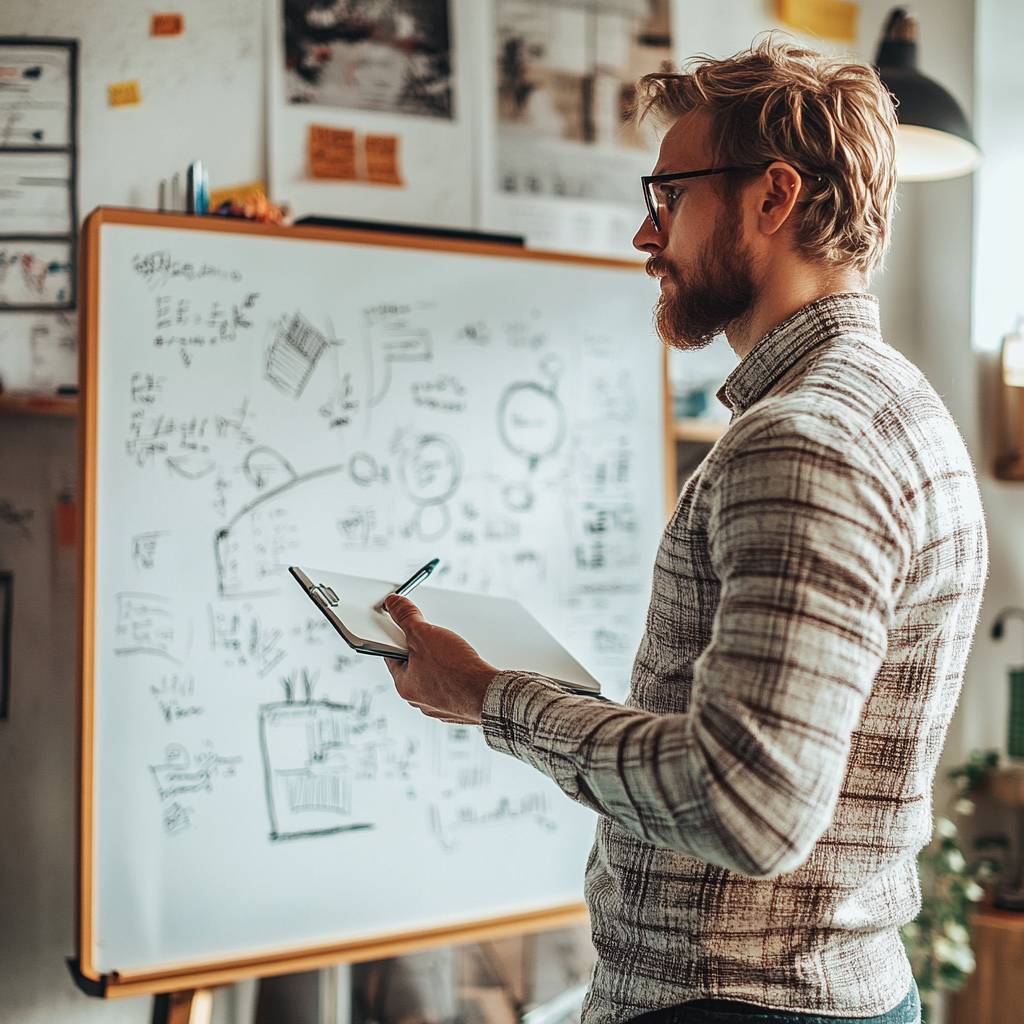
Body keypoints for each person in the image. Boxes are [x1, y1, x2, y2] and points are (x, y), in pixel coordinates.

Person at [381, 39, 988, 1024]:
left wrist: (486, 694)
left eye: (669, 196)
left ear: (772, 197)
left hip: (736, 1003)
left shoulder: (802, 440)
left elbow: (746, 808)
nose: (642, 233)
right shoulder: (895, 408)